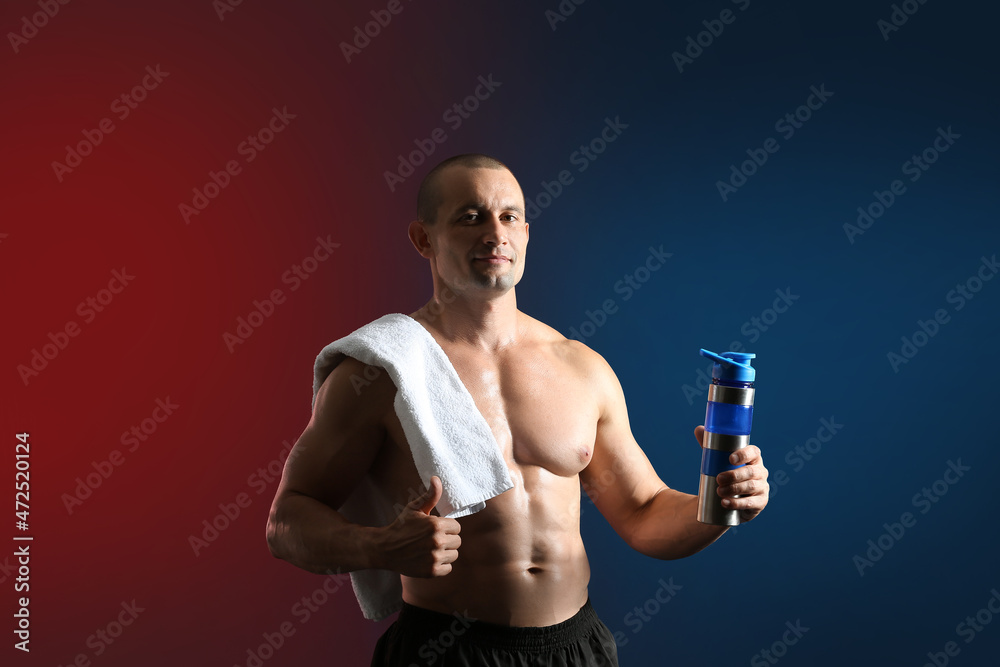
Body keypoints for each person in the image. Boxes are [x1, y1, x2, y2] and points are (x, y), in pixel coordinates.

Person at [265, 154, 770, 666]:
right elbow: (287, 521)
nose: (494, 234)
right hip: (447, 651)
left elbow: (643, 513)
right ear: (423, 239)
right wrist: (377, 549)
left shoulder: (581, 367)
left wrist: (718, 505)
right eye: (470, 217)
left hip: (576, 648)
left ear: (526, 233)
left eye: (508, 217)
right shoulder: (380, 372)